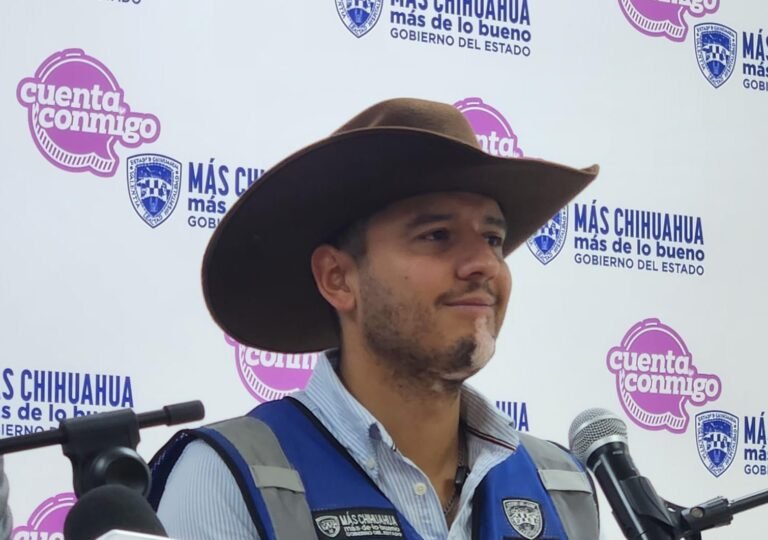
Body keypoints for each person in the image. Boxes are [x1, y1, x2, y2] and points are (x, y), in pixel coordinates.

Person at [149, 98, 600, 540]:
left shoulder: (560, 486)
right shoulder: (228, 479)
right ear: (338, 278)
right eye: (437, 235)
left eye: (493, 239)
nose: (483, 263)